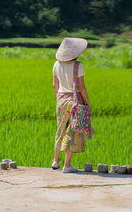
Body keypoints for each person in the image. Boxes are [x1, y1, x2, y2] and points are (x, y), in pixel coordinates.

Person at [51, 38, 91, 173]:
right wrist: (87, 102)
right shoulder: (77, 66)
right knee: (73, 132)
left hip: (61, 100)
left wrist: (59, 99)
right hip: (75, 102)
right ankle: (67, 165)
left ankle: (55, 161)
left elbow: (55, 85)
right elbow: (81, 87)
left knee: (60, 130)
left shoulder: (56, 64)